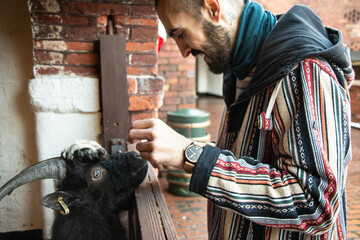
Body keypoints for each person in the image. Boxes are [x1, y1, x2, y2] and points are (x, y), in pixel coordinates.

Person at [128, 0, 355, 239]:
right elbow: (248, 160)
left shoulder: (306, 72)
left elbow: (316, 203)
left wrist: (191, 155)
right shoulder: (243, 70)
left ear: (213, 8)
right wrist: (182, 152)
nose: (184, 51)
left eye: (181, 34)